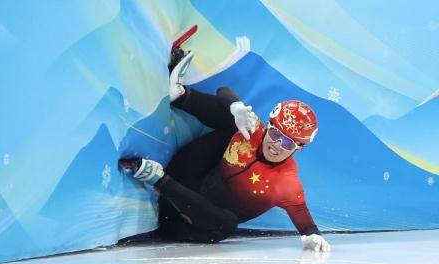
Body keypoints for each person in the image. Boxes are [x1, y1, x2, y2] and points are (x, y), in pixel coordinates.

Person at [119, 51, 330, 252]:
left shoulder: (287, 183)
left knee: (228, 224)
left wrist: (313, 235)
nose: (276, 145)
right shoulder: (253, 128)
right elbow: (224, 92)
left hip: (183, 224)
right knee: (237, 123)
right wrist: (236, 107)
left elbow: (303, 218)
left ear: (298, 149)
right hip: (184, 177)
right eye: (275, 135)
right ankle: (180, 96)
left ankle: (157, 179)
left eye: (287, 144)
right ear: (268, 125)